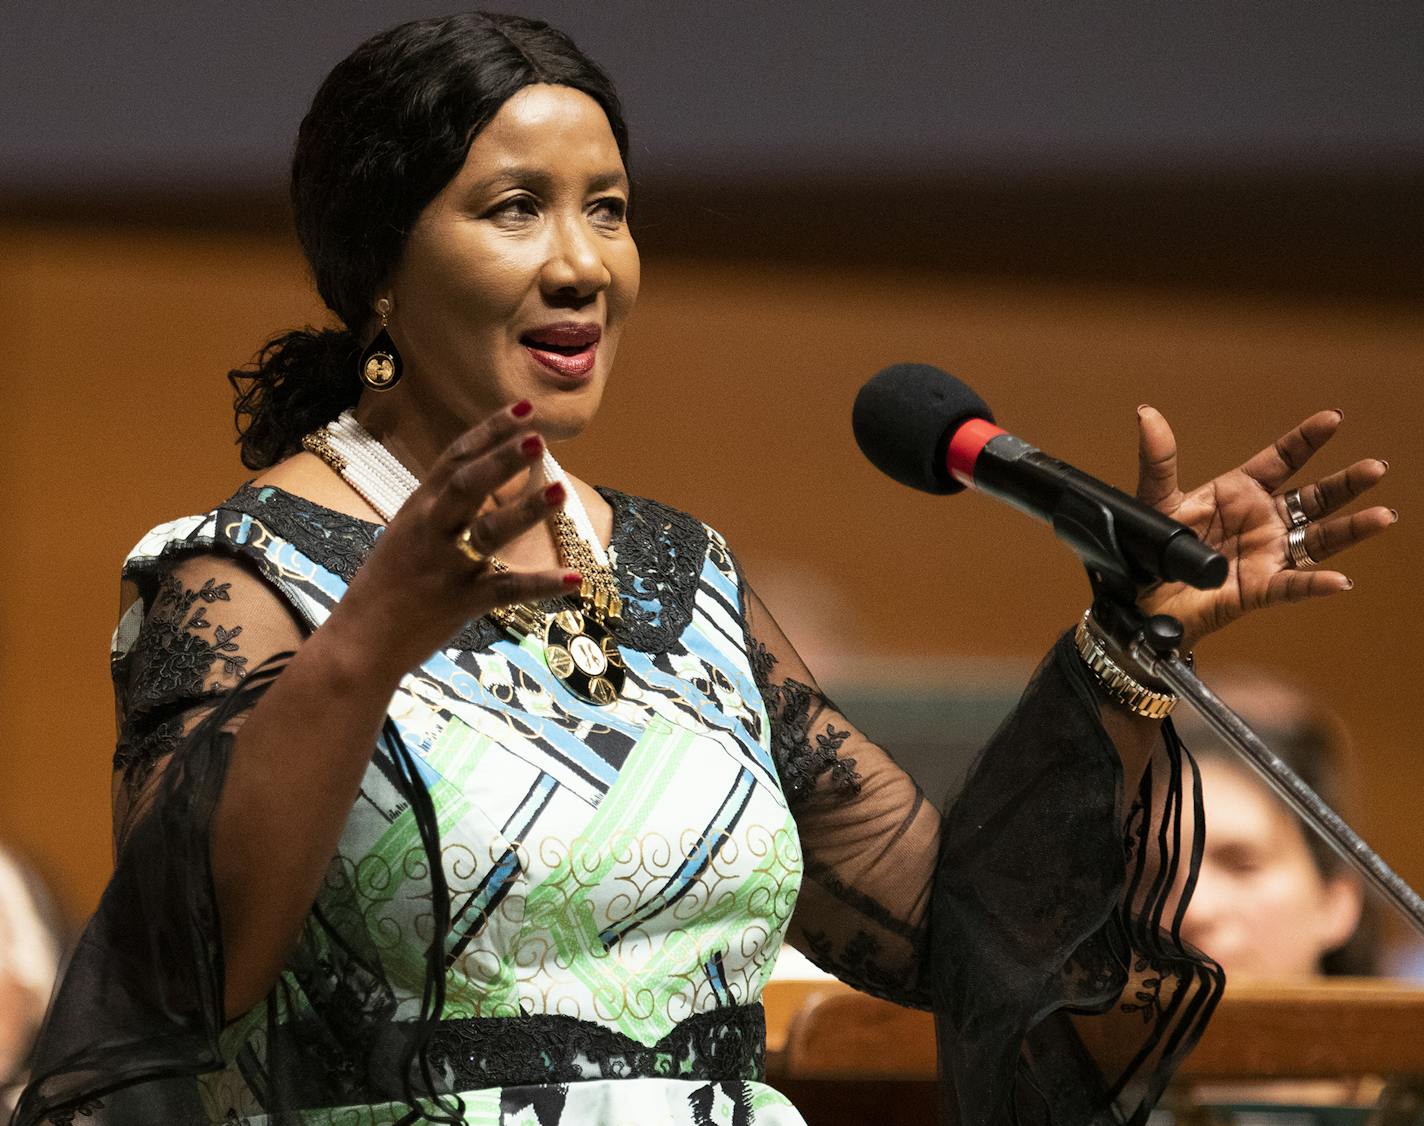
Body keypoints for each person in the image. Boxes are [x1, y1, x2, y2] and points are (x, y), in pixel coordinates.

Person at [13, 13, 1396, 1126]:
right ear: (379, 258)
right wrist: (371, 638)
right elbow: (183, 978)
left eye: (608, 210)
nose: (582, 264)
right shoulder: (240, 580)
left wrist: (1123, 644)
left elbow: (955, 936)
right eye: (514, 209)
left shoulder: (681, 574)